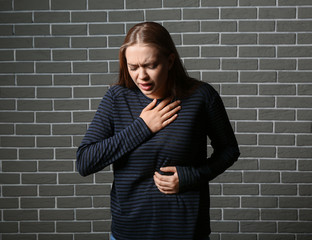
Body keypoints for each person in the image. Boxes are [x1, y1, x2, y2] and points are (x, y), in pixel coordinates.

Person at [77, 22, 240, 240]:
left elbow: (229, 150)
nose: (141, 76)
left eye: (150, 65)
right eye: (133, 67)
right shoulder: (116, 98)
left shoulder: (202, 96)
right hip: (129, 232)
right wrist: (142, 127)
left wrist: (192, 175)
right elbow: (85, 162)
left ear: (170, 61)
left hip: (186, 231)